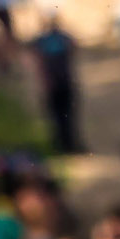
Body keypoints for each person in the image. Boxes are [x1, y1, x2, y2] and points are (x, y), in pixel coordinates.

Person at [32, 17, 83, 155]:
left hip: (55, 84)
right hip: (62, 82)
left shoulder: (42, 41)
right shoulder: (61, 38)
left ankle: (64, 145)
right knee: (66, 117)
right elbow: (74, 47)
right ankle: (68, 145)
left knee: (59, 117)